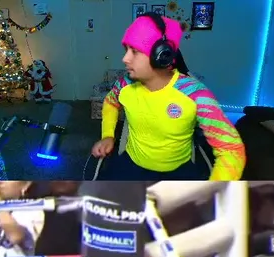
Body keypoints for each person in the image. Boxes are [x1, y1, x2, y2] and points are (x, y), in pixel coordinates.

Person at [91, 13, 243, 181]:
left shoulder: (195, 94)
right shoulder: (124, 85)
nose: (125, 58)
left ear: (161, 55)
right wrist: (108, 135)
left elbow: (231, 148)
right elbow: (110, 102)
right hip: (132, 164)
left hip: (178, 171)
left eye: (134, 51)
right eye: (126, 50)